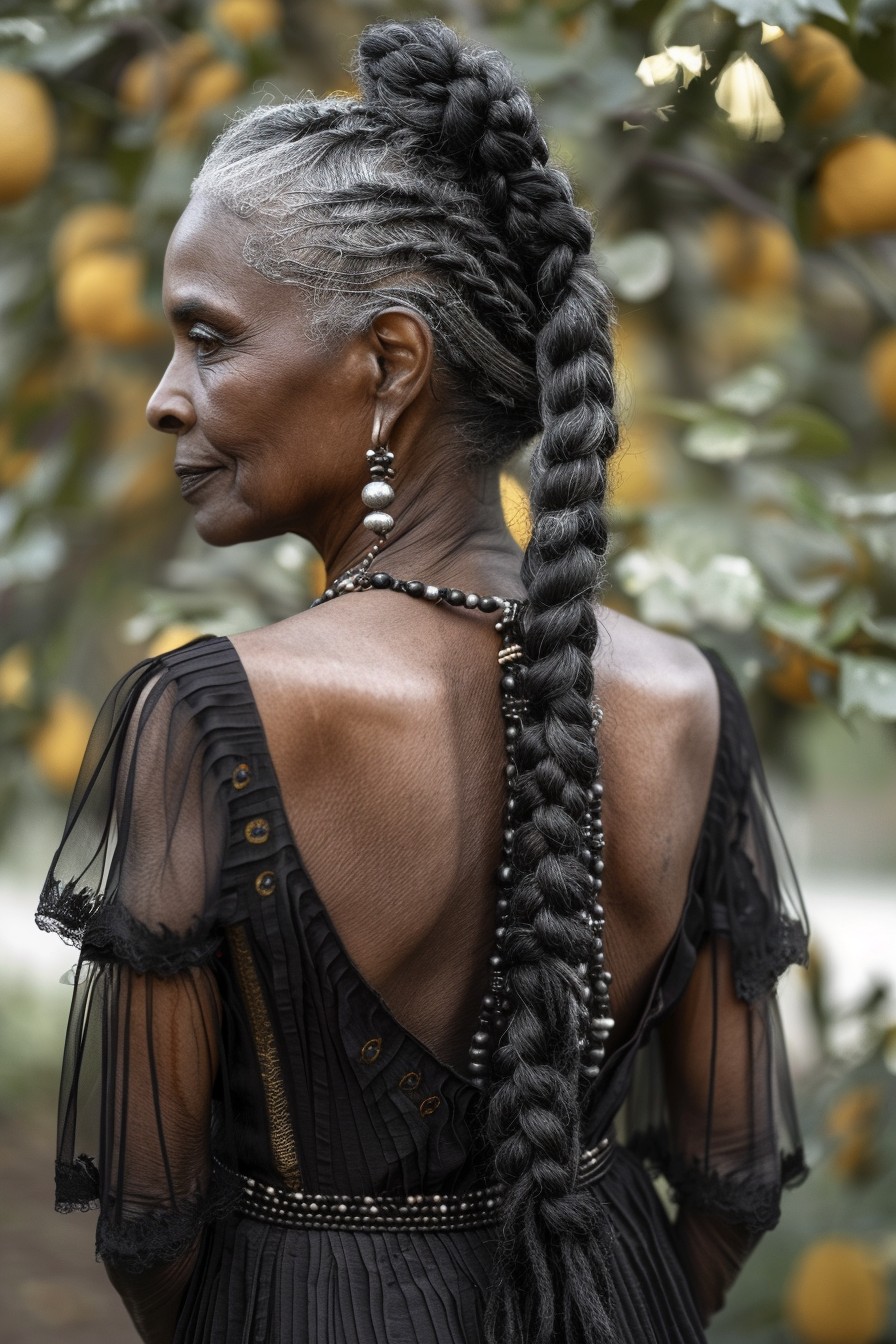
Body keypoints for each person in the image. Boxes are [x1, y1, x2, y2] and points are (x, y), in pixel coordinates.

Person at [35, 17, 810, 1344]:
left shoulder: (216, 719)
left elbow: (149, 1228)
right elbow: (733, 1181)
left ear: (390, 363)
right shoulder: (689, 702)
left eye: (209, 340)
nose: (166, 396)